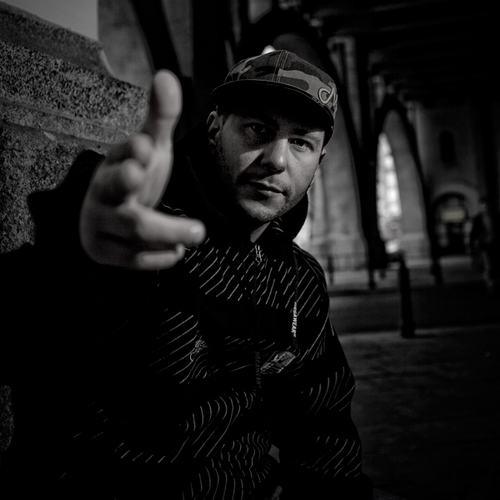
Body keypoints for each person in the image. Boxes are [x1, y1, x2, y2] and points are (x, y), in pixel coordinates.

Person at [0, 50, 398, 499]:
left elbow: (325, 437)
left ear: (319, 160)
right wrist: (72, 257)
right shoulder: (144, 237)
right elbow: (21, 340)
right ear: (214, 129)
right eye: (258, 130)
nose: (277, 159)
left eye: (301, 142)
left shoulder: (298, 283)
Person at [470, 196, 500, 294]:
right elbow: (473, 234)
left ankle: (494, 282)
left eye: (487, 206)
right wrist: (473, 247)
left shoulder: (496, 216)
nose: (485, 208)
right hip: (484, 246)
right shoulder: (477, 219)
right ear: (480, 207)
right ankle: (491, 285)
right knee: (488, 266)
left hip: (496, 244)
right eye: (483, 206)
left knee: (495, 265)